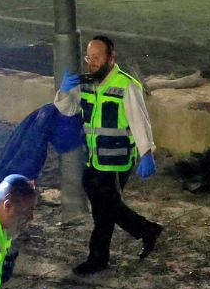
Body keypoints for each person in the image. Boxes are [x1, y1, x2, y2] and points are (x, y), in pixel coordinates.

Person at [56, 35, 162, 274]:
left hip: (116, 161)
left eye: (97, 58)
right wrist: (64, 92)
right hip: (94, 158)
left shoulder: (127, 85)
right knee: (106, 206)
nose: (92, 63)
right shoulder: (86, 84)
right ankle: (147, 230)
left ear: (111, 57)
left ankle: (98, 258)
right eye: (89, 58)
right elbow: (68, 109)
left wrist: (147, 152)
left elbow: (139, 121)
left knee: (103, 211)